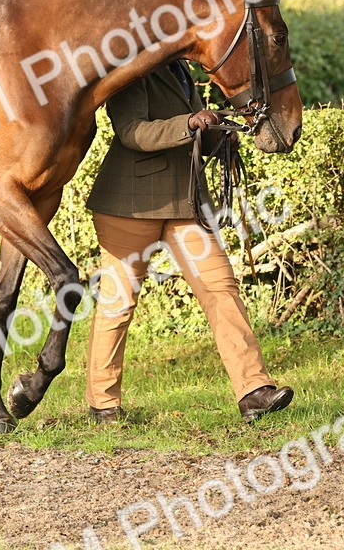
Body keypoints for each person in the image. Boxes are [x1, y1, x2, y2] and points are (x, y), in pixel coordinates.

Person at [83, 59, 293, 424]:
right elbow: (133, 132)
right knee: (118, 303)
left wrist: (221, 132)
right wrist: (189, 122)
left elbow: (194, 136)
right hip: (130, 203)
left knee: (221, 289)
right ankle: (103, 404)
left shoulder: (179, 70)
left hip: (186, 201)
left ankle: (254, 391)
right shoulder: (131, 69)